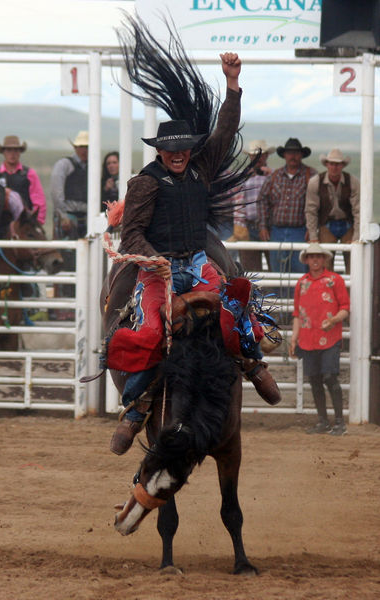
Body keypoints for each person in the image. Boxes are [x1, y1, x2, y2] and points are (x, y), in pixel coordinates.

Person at [106, 52, 281, 455]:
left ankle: (254, 365)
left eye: (184, 146)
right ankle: (135, 410)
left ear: (189, 148)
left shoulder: (201, 168)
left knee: (236, 307)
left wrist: (232, 86)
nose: (179, 153)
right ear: (160, 152)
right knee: (151, 331)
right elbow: (131, 234)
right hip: (157, 270)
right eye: (172, 149)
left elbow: (224, 129)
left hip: (197, 262)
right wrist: (156, 261)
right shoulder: (144, 184)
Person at [289, 243, 350, 436]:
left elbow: (345, 308)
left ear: (324, 259)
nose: (315, 260)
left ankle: (339, 422)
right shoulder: (302, 283)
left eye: (318, 256)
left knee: (330, 377)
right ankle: (324, 421)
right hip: (308, 338)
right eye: (311, 256)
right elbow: (297, 314)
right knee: (315, 380)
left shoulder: (334, 280)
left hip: (329, 338)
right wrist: (294, 339)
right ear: (307, 260)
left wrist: (333, 320)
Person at [258, 138, 317, 275]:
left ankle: (298, 297)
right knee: (278, 272)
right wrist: (263, 226)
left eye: (296, 153)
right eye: (289, 153)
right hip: (276, 231)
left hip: (301, 231)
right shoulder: (275, 176)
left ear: (301, 155)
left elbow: (318, 204)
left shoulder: (311, 175)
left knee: (300, 271)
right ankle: (280, 297)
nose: (293, 156)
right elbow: (262, 200)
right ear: (284, 155)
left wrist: (312, 228)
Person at [305, 148, 359, 273]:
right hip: (326, 224)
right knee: (325, 265)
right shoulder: (315, 182)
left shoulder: (353, 182)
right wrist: (313, 236)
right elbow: (311, 210)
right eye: (332, 164)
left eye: (338, 164)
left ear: (342, 166)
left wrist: (356, 236)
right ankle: (328, 291)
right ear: (327, 164)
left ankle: (351, 292)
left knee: (353, 263)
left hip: (348, 224)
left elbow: (358, 210)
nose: (334, 167)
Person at [227, 139, 274, 272]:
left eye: (261, 155)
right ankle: (254, 292)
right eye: (255, 155)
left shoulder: (274, 175)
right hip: (248, 227)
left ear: (266, 156)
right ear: (250, 157)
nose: (258, 158)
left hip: (269, 227)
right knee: (251, 269)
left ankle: (274, 293)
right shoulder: (241, 176)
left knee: (274, 266)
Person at [0, 135, 46, 225]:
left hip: (25, 224)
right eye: (9, 150)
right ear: (3, 152)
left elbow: (39, 200)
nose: (12, 154)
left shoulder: (29, 174)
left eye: (16, 150)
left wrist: (38, 221)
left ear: (20, 152)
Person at [51, 130, 89, 240]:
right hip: (68, 216)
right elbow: (56, 191)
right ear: (75, 147)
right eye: (81, 146)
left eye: (87, 147)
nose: (84, 150)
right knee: (66, 251)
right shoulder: (64, 164)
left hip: (85, 217)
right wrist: (63, 216)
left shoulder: (92, 167)